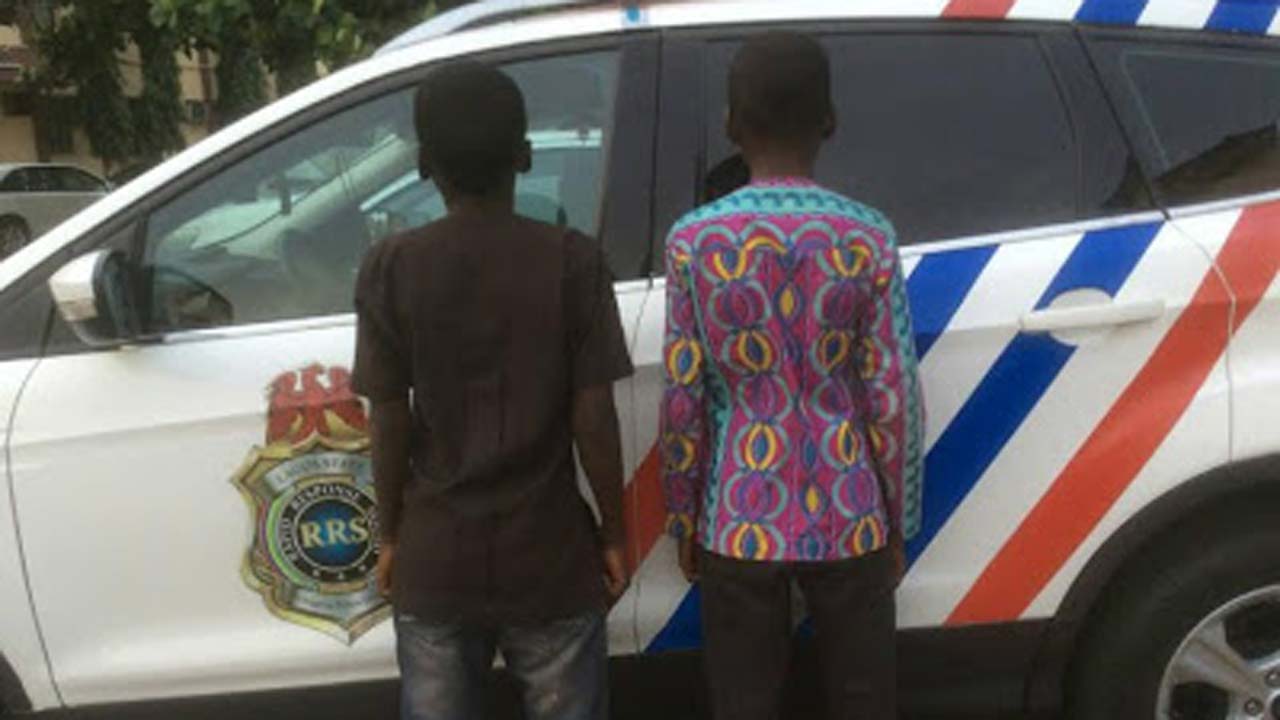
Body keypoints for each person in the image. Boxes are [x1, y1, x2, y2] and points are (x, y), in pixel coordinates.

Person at [352, 60, 633, 720]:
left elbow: (388, 417)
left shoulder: (391, 266)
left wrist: (391, 535)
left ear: (424, 165)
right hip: (551, 557)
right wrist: (613, 535)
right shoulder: (574, 261)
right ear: (525, 156)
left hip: (436, 559)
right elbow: (593, 415)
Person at [659, 32, 925, 720]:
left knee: (743, 701)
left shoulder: (694, 242)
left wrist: (684, 515)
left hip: (737, 511)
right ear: (829, 121)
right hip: (850, 507)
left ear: (730, 124)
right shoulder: (867, 236)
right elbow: (892, 393)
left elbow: (683, 398)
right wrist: (898, 519)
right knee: (864, 700)